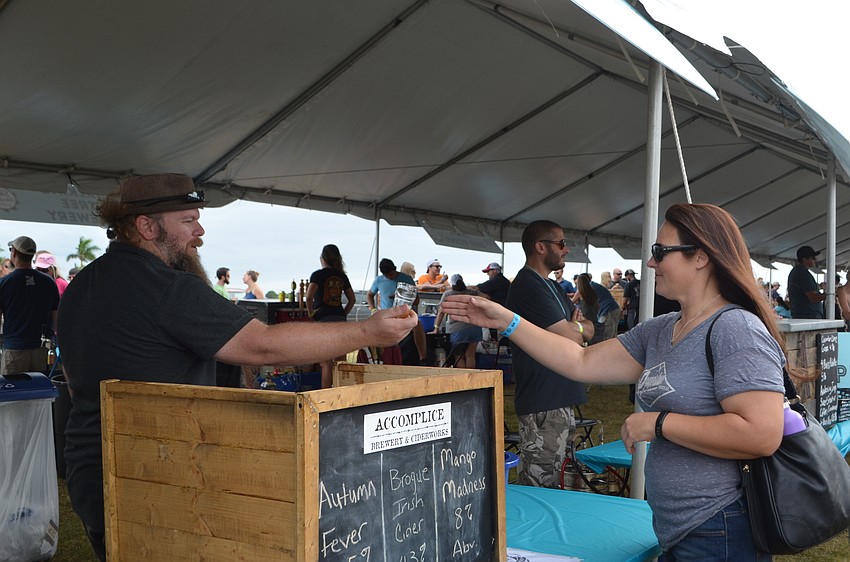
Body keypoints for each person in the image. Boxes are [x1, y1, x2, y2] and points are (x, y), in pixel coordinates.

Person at [56, 174, 417, 561]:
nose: (200, 231)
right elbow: (262, 346)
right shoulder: (166, 287)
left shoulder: (82, 284)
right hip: (156, 477)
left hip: (92, 471)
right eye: (188, 220)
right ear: (146, 226)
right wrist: (367, 331)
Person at [442, 203, 787, 560]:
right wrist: (508, 320)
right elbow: (580, 360)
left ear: (700, 256)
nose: (651, 263)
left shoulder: (735, 328)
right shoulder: (661, 329)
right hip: (682, 529)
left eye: (660, 252)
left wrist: (658, 423)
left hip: (721, 528)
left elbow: (760, 434)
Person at [502, 220, 594, 488]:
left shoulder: (552, 286)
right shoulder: (526, 285)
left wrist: (575, 329)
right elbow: (571, 334)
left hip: (558, 400)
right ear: (540, 247)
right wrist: (575, 330)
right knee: (541, 485)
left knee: (561, 482)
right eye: (561, 243)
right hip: (543, 402)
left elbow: (586, 327)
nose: (566, 249)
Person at [0, 236, 60, 375]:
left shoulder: (5, 283)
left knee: (14, 394)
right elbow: (56, 317)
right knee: (42, 394)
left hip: (14, 350)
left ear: (14, 252)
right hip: (42, 350)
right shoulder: (48, 282)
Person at [306, 244, 356, 387]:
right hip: (340, 319)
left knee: (326, 363)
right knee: (340, 362)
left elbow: (309, 297)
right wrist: (343, 314)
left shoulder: (317, 275)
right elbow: (352, 299)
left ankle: (326, 397)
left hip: (323, 319)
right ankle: (342, 394)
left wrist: (311, 314)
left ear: (322, 258)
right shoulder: (342, 276)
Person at [787, 245, 824, 319]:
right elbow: (813, 298)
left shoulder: (796, 271)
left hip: (801, 314)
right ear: (804, 259)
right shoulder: (803, 273)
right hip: (808, 315)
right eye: (813, 257)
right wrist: (830, 294)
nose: (815, 260)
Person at [574, 274, 604, 345]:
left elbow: (571, 301)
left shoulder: (579, 293)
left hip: (585, 319)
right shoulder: (592, 292)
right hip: (594, 319)